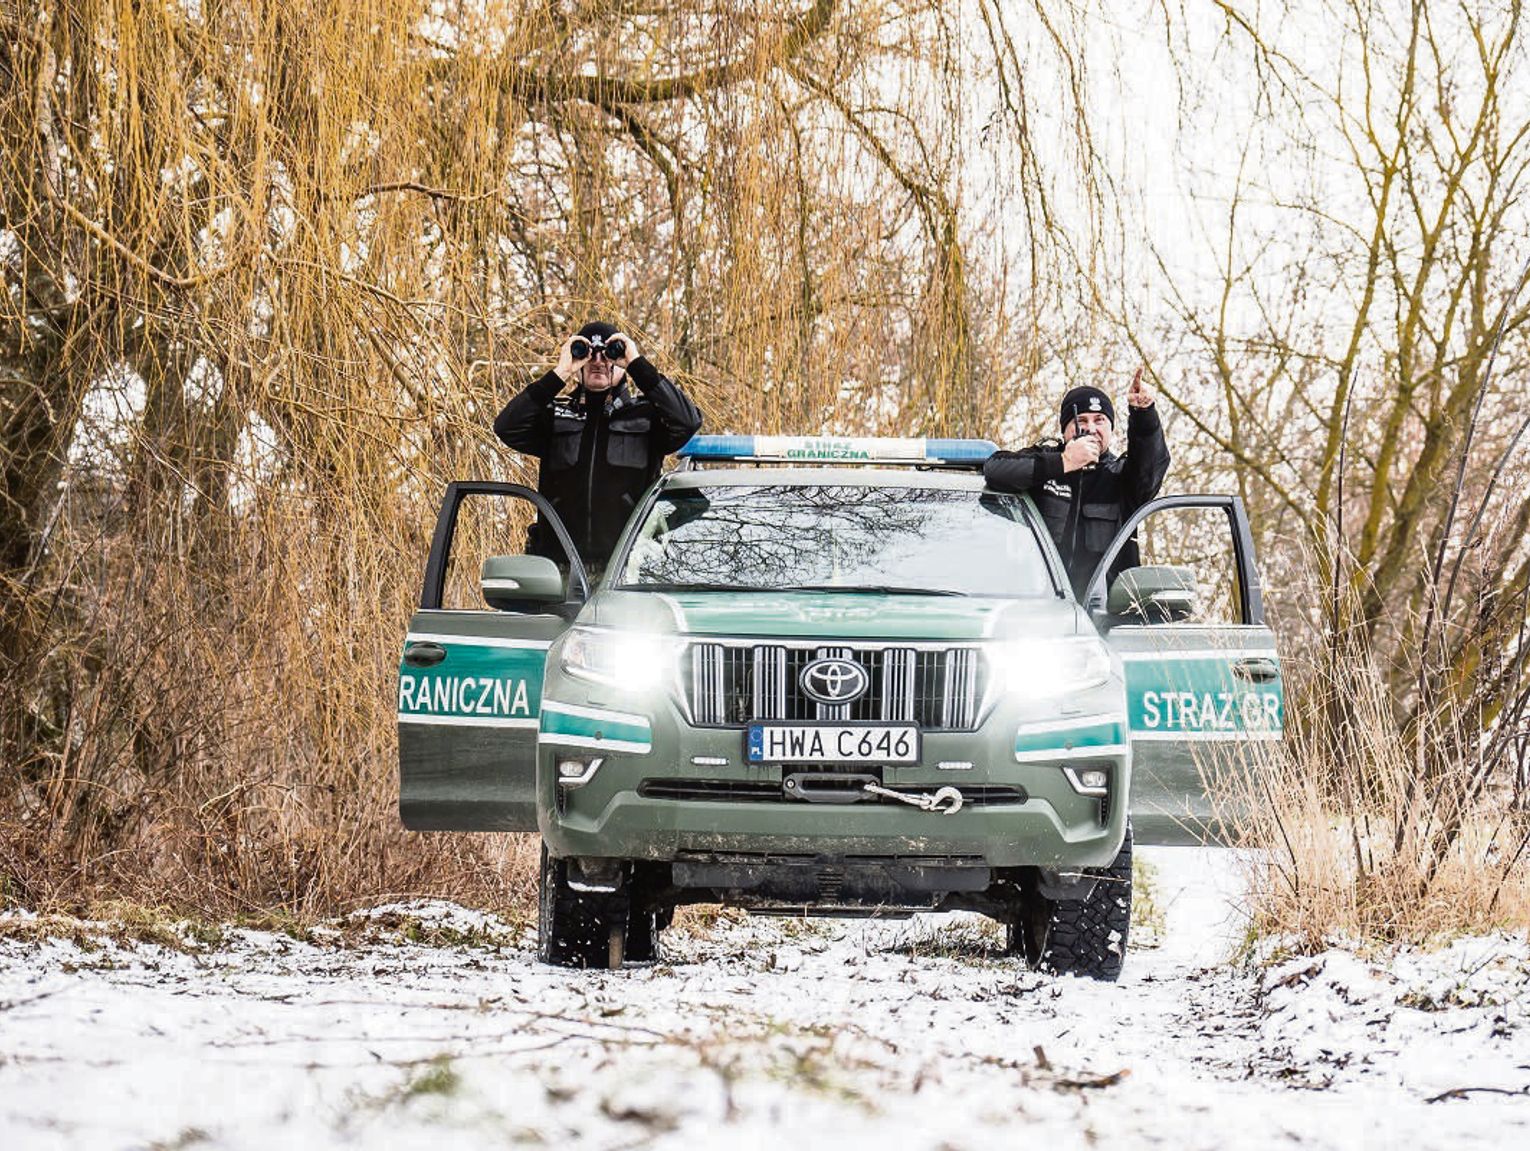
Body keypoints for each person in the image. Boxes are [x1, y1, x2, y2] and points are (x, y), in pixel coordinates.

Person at [494, 322, 703, 574]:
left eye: (608, 353)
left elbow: (687, 421)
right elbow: (506, 426)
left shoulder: (646, 416)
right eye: (588, 353)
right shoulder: (556, 416)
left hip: (627, 570)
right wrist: (560, 372)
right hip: (558, 571)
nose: (598, 361)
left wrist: (637, 364)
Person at [983, 369, 1169, 600]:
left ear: (1110, 428)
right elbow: (995, 469)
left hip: (1104, 618)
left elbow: (1151, 468)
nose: (1090, 428)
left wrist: (1144, 414)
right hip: (1037, 611)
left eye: (1099, 420)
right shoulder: (1045, 461)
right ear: (1065, 430)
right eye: (1081, 420)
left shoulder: (1123, 476)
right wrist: (1063, 462)